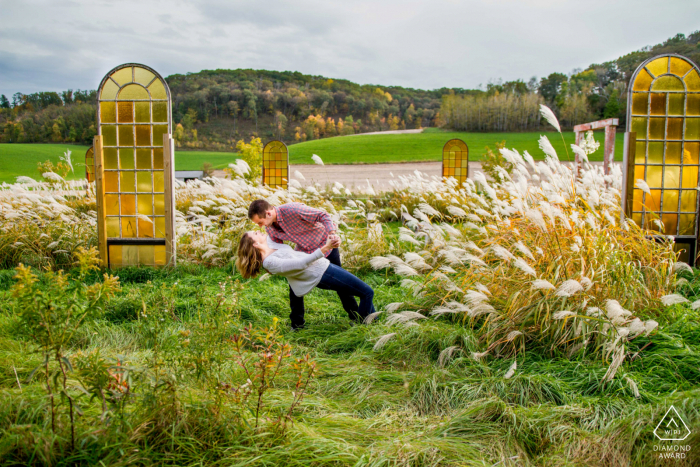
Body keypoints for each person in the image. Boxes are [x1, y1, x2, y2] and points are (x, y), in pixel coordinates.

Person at [247, 199, 362, 329]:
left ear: (268, 213)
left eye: (260, 222)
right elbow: (276, 247)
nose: (260, 226)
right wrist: (268, 262)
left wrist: (332, 234)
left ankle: (356, 316)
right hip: (303, 252)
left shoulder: (293, 210)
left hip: (325, 245)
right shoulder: (271, 228)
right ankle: (297, 324)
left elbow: (322, 215)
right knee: (294, 286)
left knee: (342, 283)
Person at [236, 231, 375, 329]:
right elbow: (300, 264)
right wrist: (326, 248)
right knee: (367, 292)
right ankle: (363, 327)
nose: (258, 231)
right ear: (254, 244)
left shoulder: (271, 247)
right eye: (254, 233)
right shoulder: (269, 262)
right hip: (322, 274)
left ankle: (374, 320)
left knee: (365, 292)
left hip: (324, 266)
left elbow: (274, 231)